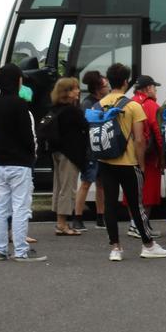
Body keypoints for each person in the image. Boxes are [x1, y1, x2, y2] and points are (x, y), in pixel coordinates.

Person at [97, 63, 166, 260]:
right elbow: (140, 140)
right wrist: (142, 164)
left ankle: (115, 248)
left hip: (105, 161)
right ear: (125, 82)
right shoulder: (132, 106)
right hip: (128, 163)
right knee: (137, 205)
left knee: (110, 205)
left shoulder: (101, 103)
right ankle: (147, 245)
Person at [0, 63, 44, 261]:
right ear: (16, 80)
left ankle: (0, 249)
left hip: (1, 162)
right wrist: (31, 154)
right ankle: (21, 250)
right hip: (20, 162)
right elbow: (27, 136)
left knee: (1, 206)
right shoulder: (20, 105)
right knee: (20, 207)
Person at [47, 77, 87, 236]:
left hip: (57, 152)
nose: (78, 91)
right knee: (68, 188)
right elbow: (85, 126)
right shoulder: (72, 110)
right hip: (70, 153)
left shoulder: (55, 108)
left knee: (59, 186)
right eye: (75, 88)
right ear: (68, 92)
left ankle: (59, 221)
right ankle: (62, 224)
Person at [127, 75, 164, 241]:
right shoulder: (151, 105)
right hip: (148, 157)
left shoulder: (128, 103)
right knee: (148, 191)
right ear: (148, 89)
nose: (155, 91)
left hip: (128, 155)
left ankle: (135, 224)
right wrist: (164, 156)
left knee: (132, 190)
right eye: (154, 88)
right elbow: (158, 133)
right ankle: (139, 225)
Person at [72, 70, 108, 231]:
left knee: (101, 184)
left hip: (101, 148)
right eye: (105, 85)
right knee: (87, 183)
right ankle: (77, 217)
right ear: (98, 87)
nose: (108, 87)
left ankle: (101, 216)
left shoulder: (99, 102)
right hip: (91, 150)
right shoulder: (89, 104)